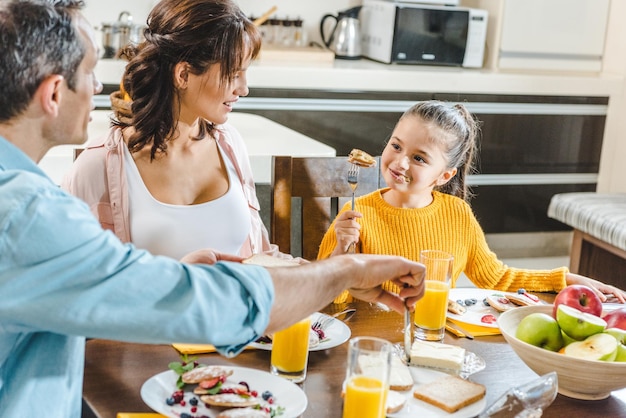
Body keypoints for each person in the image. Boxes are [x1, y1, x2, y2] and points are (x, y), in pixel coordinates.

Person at [0, 1, 425, 416]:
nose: (99, 87)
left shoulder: (23, 197)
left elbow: (108, 292)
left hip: (228, 372)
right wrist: (346, 273)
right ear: (54, 92)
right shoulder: (29, 216)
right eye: (88, 73)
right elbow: (176, 303)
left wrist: (178, 273)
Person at [317, 100, 626, 304]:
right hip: (373, 345)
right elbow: (328, 298)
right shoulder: (357, 214)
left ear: (444, 175)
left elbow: (498, 278)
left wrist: (569, 280)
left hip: (433, 340)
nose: (400, 162)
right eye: (396, 146)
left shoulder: (458, 214)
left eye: (419, 158)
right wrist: (342, 250)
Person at [62, 0, 292, 261]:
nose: (244, 88)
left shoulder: (230, 146)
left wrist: (332, 263)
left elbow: (260, 256)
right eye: (233, 74)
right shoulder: (98, 165)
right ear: (183, 75)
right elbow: (75, 281)